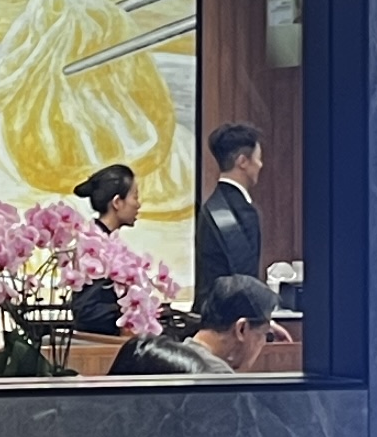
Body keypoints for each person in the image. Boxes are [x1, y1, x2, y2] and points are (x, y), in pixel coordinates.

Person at [117, 274, 277, 376]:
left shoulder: (168, 357)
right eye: (265, 334)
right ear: (241, 329)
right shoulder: (217, 379)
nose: (263, 343)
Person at [71, 163, 142, 336]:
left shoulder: (109, 240)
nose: (138, 205)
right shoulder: (91, 246)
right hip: (100, 344)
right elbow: (87, 312)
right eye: (135, 197)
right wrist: (126, 311)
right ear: (117, 202)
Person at [197, 125, 265, 296]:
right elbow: (245, 282)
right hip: (229, 312)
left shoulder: (211, 206)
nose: (260, 165)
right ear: (242, 162)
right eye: (258, 158)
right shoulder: (242, 212)